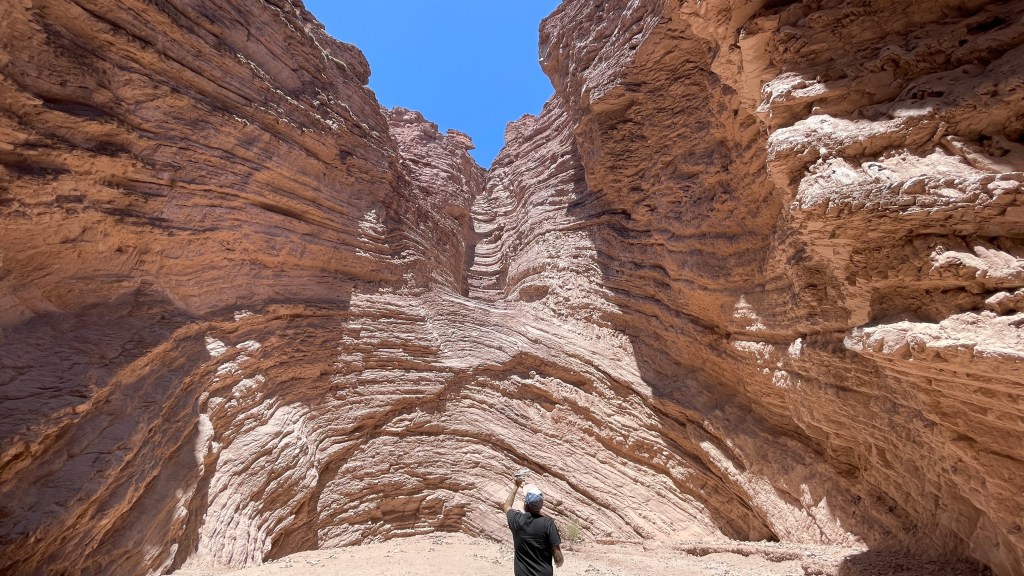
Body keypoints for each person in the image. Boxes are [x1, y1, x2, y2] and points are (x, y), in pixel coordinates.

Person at [501, 474, 564, 576]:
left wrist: (516, 486)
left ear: (526, 503)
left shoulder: (517, 520)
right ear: (540, 505)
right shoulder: (548, 523)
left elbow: (507, 505)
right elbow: (557, 553)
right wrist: (559, 561)